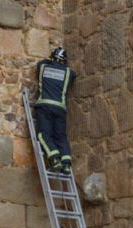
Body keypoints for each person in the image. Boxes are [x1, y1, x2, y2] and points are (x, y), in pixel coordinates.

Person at [35, 47, 76, 175]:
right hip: (60, 109)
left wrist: (51, 60)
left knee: (43, 135)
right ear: (64, 61)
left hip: (45, 106)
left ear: (52, 57)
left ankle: (55, 160)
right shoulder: (69, 72)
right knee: (61, 137)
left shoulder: (43, 67)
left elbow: (41, 63)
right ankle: (66, 164)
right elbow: (73, 74)